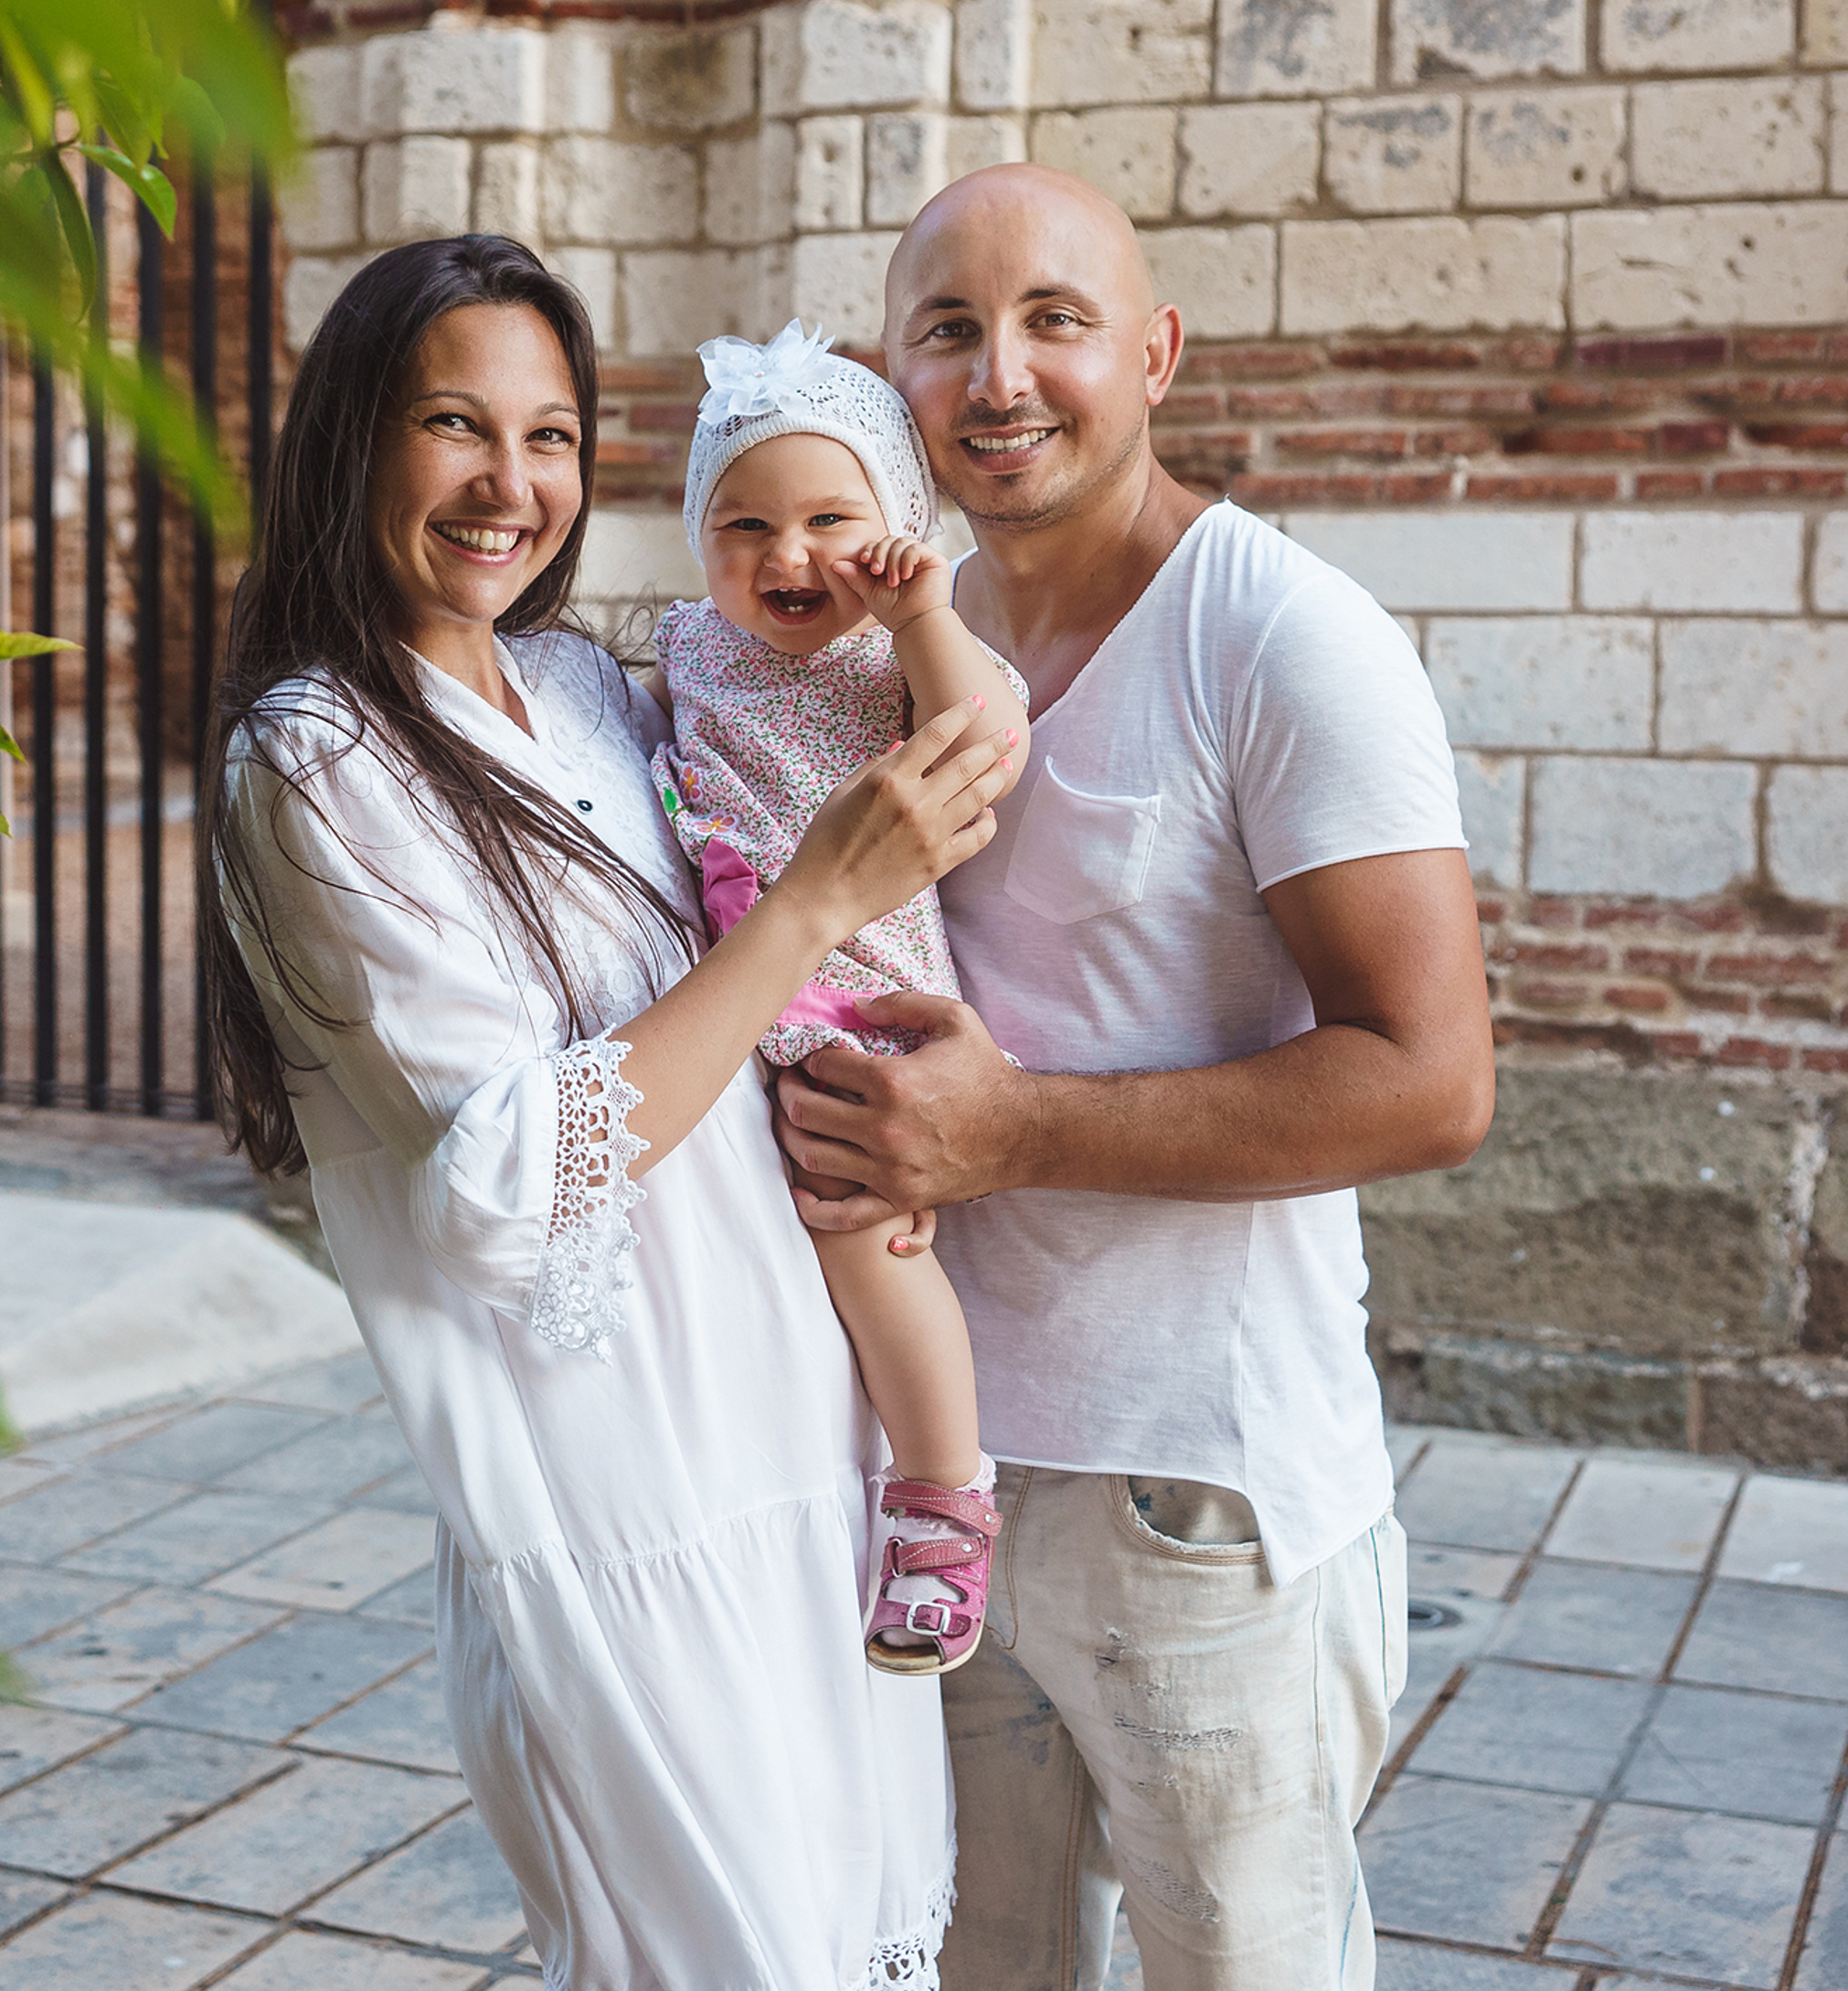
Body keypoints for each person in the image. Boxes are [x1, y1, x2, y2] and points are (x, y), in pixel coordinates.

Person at [196, 235, 1013, 1991]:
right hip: (614, 1495)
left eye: (553, 434)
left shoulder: (581, 687)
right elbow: (500, 1181)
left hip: (801, 1437)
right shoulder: (315, 755)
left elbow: (744, 929)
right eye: (454, 427)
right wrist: (811, 901)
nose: (513, 487)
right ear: (354, 440)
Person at [776, 164, 1498, 1990]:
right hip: (943, 1477)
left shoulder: (1277, 636)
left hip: (1197, 1504)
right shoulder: (904, 638)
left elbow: (1429, 1079)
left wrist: (1004, 1127)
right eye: (945, 330)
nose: (996, 374)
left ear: (1155, 352)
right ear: (893, 373)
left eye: (1052, 321)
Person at [646, 316, 1029, 1675]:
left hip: (855, 1013)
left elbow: (986, 745)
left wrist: (923, 611)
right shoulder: (689, 646)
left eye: (828, 521)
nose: (786, 556)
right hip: (728, 1003)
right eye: (742, 524)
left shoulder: (893, 662)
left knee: (871, 1247)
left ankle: (942, 1503)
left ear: (896, 527)